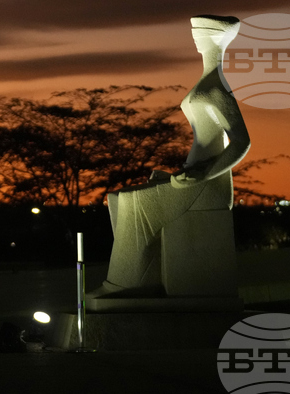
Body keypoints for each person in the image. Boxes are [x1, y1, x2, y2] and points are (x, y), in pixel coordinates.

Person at [90, 15, 250, 297]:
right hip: (194, 173)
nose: (195, 37)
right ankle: (140, 276)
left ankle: (125, 284)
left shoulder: (216, 87)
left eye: (201, 33)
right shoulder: (208, 82)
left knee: (133, 204)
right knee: (116, 199)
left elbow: (241, 142)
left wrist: (202, 174)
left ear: (217, 39)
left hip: (208, 183)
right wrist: (180, 173)